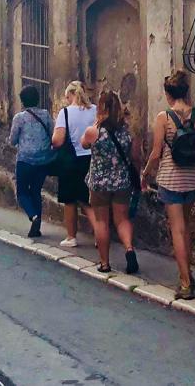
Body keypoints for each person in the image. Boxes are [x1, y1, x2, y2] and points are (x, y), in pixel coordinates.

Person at [141, 70, 195, 300]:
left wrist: (145, 173)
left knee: (177, 228)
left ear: (168, 94)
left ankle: (185, 282)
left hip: (171, 180)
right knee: (186, 225)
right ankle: (188, 273)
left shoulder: (163, 118)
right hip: (193, 179)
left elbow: (156, 153)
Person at [81, 91, 140, 274]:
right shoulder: (127, 132)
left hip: (99, 183)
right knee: (122, 219)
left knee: (101, 222)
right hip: (122, 181)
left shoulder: (94, 131)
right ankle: (129, 249)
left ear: (101, 108)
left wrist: (96, 123)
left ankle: (105, 263)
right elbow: (135, 157)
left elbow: (83, 144)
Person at [52, 81, 98, 248]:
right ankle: (99, 234)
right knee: (90, 200)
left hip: (71, 161)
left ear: (70, 95)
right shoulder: (95, 110)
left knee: (70, 200)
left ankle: (71, 236)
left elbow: (57, 140)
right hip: (92, 158)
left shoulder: (65, 113)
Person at [9, 86, 55, 238]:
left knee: (22, 192)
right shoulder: (46, 115)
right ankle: (37, 227)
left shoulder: (19, 118)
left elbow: (13, 140)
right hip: (43, 160)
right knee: (35, 191)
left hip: (25, 161)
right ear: (38, 99)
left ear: (22, 102)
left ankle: (33, 216)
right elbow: (52, 134)